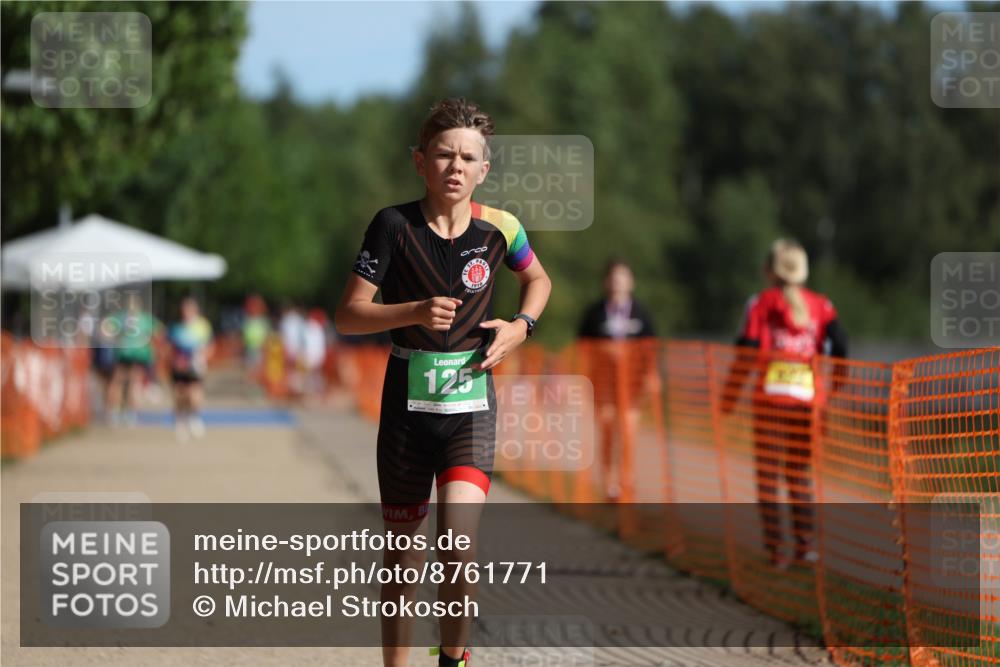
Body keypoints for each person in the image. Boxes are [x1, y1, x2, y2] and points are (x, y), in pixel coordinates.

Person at [334, 98, 551, 667]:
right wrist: (408, 313)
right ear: (420, 162)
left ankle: (452, 661)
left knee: (459, 548)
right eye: (444, 154)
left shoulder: (501, 227)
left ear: (484, 169)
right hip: (406, 410)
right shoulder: (392, 225)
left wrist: (522, 327)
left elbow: (539, 281)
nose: (455, 166)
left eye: (468, 157)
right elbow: (348, 315)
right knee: (403, 564)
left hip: (470, 408)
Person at [732, 238, 848, 570]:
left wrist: (728, 396)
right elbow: (840, 345)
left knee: (768, 478)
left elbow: (746, 350)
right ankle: (806, 546)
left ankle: (777, 550)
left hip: (769, 402)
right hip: (808, 405)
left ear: (768, 271)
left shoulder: (761, 303)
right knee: (798, 475)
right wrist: (835, 386)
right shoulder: (822, 305)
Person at [577, 259, 658, 501]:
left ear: (631, 282)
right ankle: (609, 483)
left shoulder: (642, 313)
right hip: (603, 385)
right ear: (606, 282)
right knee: (608, 430)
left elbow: (651, 349)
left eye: (622, 278)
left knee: (628, 432)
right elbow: (581, 349)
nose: (617, 283)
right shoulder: (594, 314)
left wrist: (653, 375)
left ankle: (627, 480)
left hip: (632, 386)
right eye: (613, 278)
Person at [103, 293, 159, 427]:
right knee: (128, 382)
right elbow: (158, 334)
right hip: (133, 354)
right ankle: (124, 414)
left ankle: (120, 413)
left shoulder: (123, 318)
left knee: (123, 382)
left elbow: (106, 329)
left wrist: (115, 340)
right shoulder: (141, 319)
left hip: (130, 354)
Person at [168, 297, 214, 441]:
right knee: (180, 394)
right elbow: (170, 348)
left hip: (195, 365)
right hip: (178, 367)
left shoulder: (203, 326)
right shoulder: (176, 327)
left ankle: (194, 417)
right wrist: (176, 361)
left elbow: (210, 345)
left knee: (195, 393)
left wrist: (203, 358)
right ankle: (180, 420)